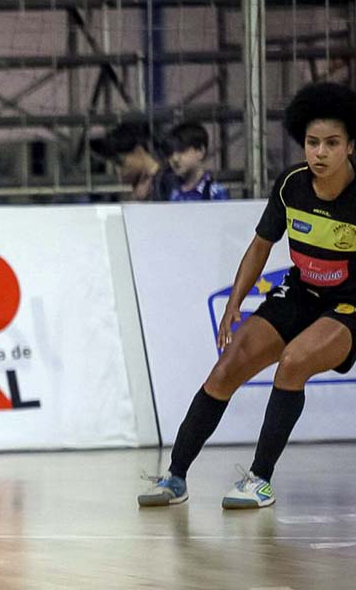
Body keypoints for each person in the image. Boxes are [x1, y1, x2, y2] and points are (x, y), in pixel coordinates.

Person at [138, 82, 356, 509]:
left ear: (350, 147)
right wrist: (235, 303)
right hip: (301, 292)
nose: (321, 153)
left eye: (332, 143)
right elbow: (261, 245)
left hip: (349, 304)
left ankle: (260, 480)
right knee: (228, 365)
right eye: (313, 143)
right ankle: (175, 478)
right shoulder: (290, 185)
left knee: (293, 363)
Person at [101, 121, 173, 200]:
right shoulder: (151, 182)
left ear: (139, 151)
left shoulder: (167, 180)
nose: (119, 171)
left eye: (121, 163)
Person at [162, 121, 230, 201]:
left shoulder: (215, 193)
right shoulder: (167, 191)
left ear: (200, 151)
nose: (175, 159)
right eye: (170, 153)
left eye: (182, 150)